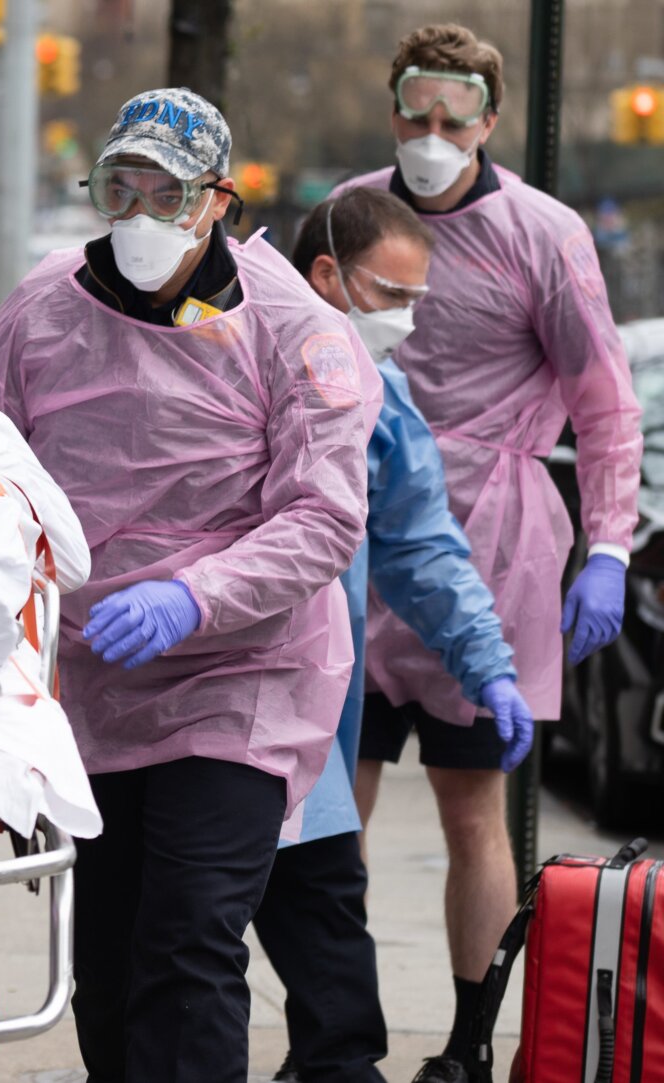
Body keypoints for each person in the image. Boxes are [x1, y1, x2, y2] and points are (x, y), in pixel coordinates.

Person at [0, 88, 380, 1082]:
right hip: (95, 683)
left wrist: (197, 595)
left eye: (168, 192)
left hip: (242, 674)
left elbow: (323, 516)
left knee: (188, 940)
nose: (141, 212)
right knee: (104, 957)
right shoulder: (42, 307)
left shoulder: (297, 329)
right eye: (120, 186)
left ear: (218, 200)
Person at [335, 26, 642, 1082]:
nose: (430, 139)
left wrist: (608, 544)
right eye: (413, 117)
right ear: (393, 111)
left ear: (489, 123)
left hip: (495, 543)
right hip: (357, 535)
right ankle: (338, 1034)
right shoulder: (350, 216)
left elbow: (604, 405)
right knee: (335, 803)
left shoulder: (545, 235)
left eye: (452, 121)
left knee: (474, 813)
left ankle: (469, 1043)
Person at [256, 187, 534, 1083]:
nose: (408, 323)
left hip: (294, 707)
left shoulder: (376, 391)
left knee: (321, 921)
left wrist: (487, 665)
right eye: (395, 297)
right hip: (194, 703)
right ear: (327, 274)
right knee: (180, 944)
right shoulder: (230, 346)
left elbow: (420, 543)